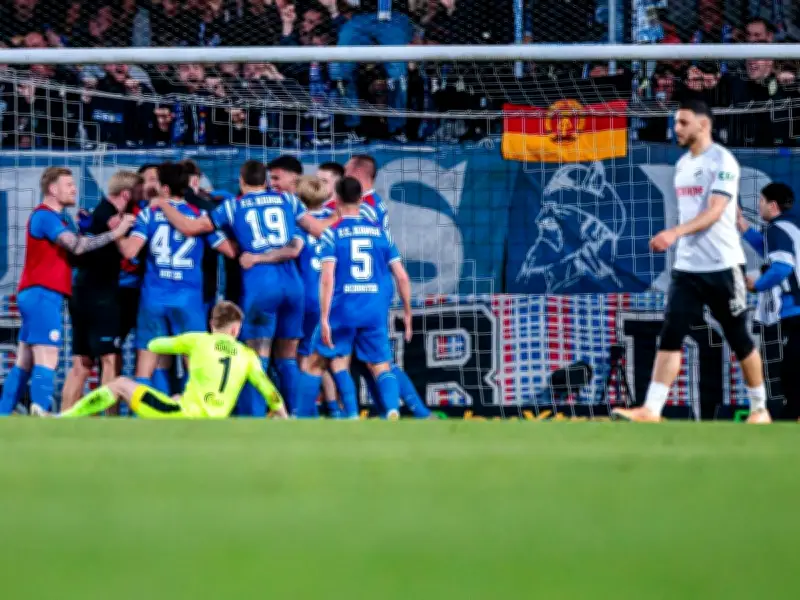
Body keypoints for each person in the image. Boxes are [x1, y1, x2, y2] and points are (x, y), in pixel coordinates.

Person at [612, 99, 769, 423]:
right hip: (687, 269)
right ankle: (651, 409)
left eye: (683, 122)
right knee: (670, 335)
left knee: (739, 338)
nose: (676, 128)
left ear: (704, 124)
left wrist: (674, 233)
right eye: (676, 122)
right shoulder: (683, 164)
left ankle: (759, 409)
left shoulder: (722, 161)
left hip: (723, 266)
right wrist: (679, 242)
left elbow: (714, 212)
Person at [154, 160, 336, 413]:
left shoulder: (233, 206)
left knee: (256, 358)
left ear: (241, 180)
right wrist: (343, 214)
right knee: (288, 359)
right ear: (266, 181)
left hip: (260, 286)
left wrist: (162, 204)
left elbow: (190, 227)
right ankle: (297, 417)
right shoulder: (288, 201)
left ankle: (255, 417)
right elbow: (320, 230)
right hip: (293, 286)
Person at [0, 167, 134, 416]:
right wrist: (116, 232)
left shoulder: (58, 219)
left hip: (35, 294)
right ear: (52, 189)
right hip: (42, 294)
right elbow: (78, 247)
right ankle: (42, 413)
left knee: (24, 363)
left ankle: (4, 416)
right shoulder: (46, 216)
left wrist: (85, 230)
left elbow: (74, 252)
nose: (74, 189)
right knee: (48, 357)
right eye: (68, 184)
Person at [295, 176, 413, 418]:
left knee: (315, 362)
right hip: (374, 309)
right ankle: (392, 409)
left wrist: (325, 318)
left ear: (335, 199)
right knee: (380, 364)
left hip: (343, 309)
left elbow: (327, 278)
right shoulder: (381, 233)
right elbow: (401, 276)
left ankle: (301, 416)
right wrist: (408, 313)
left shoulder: (332, 234)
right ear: (361, 199)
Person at [118, 162, 236, 397]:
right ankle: (195, 418)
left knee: (147, 361)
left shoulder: (149, 214)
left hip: (154, 298)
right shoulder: (199, 216)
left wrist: (117, 235)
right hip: (188, 299)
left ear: (164, 188)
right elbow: (229, 251)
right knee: (194, 361)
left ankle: (143, 420)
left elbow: (130, 252)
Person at [59, 301, 288, 419]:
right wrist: (282, 415)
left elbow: (155, 345)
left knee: (120, 384)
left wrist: (183, 346)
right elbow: (269, 391)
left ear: (212, 325)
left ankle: (63, 417)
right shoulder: (247, 356)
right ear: (236, 330)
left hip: (183, 414)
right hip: (217, 417)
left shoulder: (198, 340)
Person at [61, 170, 144, 412]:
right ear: (126, 194)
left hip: (81, 293)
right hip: (100, 297)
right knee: (110, 360)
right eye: (137, 195)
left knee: (81, 364)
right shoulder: (111, 218)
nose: (140, 201)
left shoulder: (98, 214)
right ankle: (108, 421)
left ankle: (64, 420)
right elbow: (129, 251)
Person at [741, 182, 800, 420]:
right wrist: (741, 225)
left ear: (772, 205)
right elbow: (766, 247)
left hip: (796, 309)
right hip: (793, 311)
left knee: (791, 372)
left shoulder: (777, 230)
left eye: (761, 201)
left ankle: (792, 418)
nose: (758, 205)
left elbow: (782, 267)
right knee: (790, 370)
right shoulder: (789, 226)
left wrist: (757, 284)